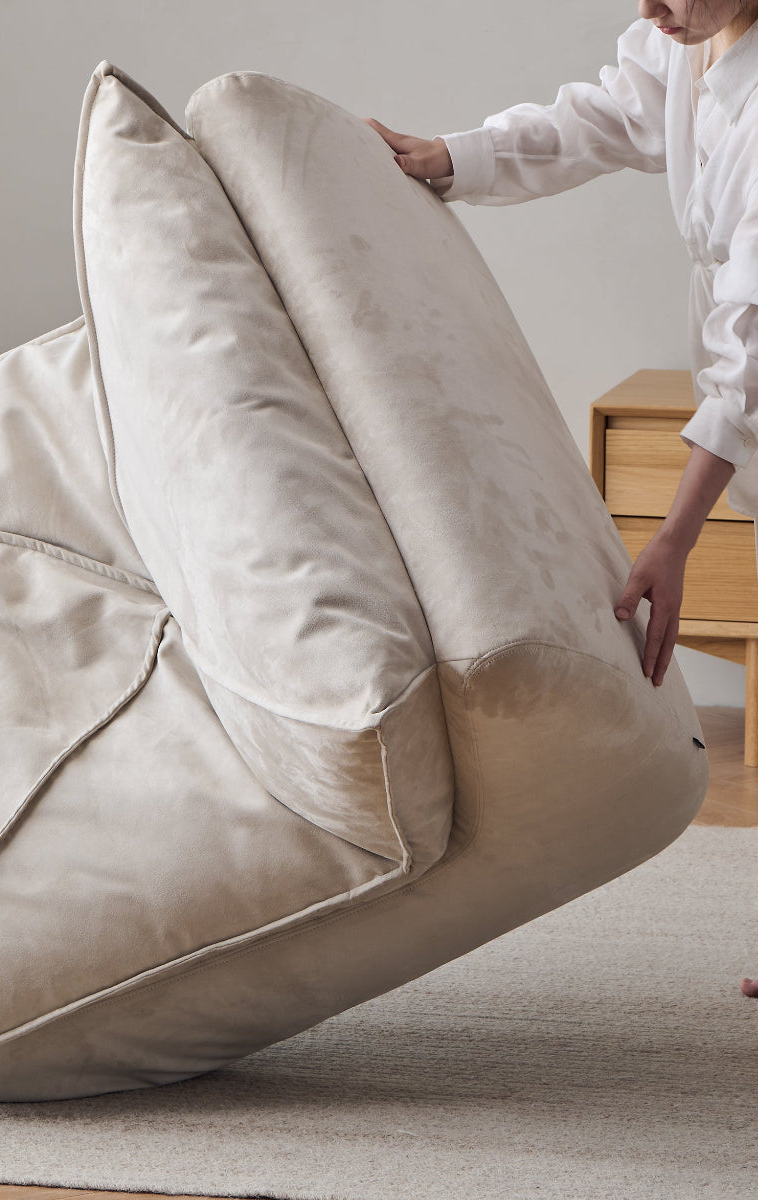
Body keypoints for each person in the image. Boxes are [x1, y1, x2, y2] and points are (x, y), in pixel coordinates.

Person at [364, 0, 758, 999]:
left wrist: (672, 536)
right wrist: (450, 158)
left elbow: (755, 358)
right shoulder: (691, 49)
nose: (650, 8)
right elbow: (597, 117)